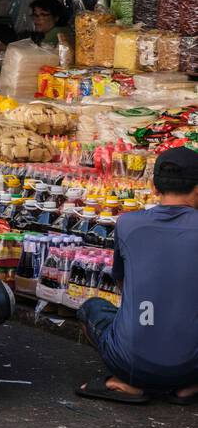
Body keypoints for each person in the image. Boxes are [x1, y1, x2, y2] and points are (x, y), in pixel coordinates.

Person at [76, 146, 198, 405]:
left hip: (131, 360)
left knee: (92, 307)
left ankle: (127, 383)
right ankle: (187, 386)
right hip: (191, 365)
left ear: (154, 188)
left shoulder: (128, 224)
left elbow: (123, 283)